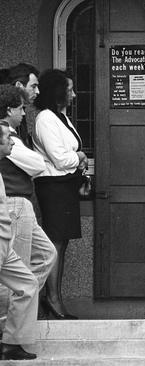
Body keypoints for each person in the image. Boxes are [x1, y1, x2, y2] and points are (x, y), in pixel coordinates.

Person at [32, 69, 87, 320]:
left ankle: (54, 297)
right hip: (53, 187)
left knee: (61, 244)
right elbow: (61, 158)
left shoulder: (60, 117)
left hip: (65, 186)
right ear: (58, 92)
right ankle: (52, 298)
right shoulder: (45, 118)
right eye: (69, 89)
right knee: (55, 243)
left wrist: (76, 160)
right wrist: (80, 158)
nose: (74, 94)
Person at [0, 85, 56, 315]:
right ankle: (7, 324)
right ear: (8, 109)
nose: (24, 114)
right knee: (15, 270)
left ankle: (20, 312)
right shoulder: (5, 136)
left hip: (21, 203)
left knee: (46, 254)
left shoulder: (12, 136)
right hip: (14, 203)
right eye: (21, 108)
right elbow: (37, 164)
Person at [0, 122, 39, 360]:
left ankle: (11, 343)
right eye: (7, 139)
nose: (13, 142)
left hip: (5, 243)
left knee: (27, 284)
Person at [5, 63, 40, 148]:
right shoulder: (6, 112)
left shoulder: (21, 110)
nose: (37, 91)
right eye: (33, 86)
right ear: (19, 85)